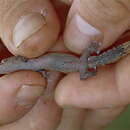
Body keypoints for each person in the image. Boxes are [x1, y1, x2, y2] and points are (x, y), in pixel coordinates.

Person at [0, 0, 130, 129]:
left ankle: (119, 50)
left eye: (3, 62)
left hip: (80, 64)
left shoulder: (28, 60)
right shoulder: (29, 63)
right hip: (79, 64)